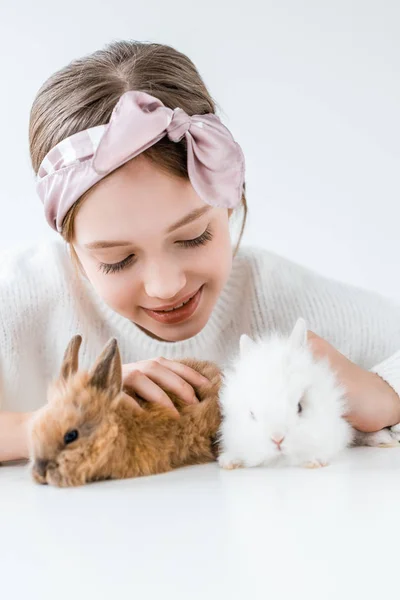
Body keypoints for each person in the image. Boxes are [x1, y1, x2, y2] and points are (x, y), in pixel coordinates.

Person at [1, 40, 400, 463]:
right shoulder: (24, 298)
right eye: (117, 259)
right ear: (74, 249)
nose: (165, 286)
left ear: (230, 203)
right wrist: (57, 422)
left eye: (193, 237)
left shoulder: (277, 300)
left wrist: (384, 391)